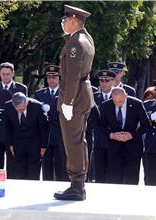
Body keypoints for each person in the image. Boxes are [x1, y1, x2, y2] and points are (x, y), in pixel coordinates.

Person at [54, 5, 95, 201]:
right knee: (78, 140)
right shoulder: (86, 38)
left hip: (75, 97)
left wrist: (67, 102)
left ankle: (77, 186)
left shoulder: (76, 43)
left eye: (64, 20)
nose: (62, 23)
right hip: (82, 95)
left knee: (73, 142)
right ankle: (78, 184)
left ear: (73, 19)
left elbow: (72, 76)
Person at [99, 87, 150, 185]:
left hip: (133, 148)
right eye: (115, 102)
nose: (118, 104)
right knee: (114, 180)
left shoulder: (137, 104)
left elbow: (146, 125)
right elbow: (101, 126)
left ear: (126, 95)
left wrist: (132, 135)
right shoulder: (106, 106)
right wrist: (111, 135)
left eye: (121, 101)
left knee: (132, 180)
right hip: (114, 148)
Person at [0, 62, 28, 178]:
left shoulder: (21, 89)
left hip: (13, 131)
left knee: (13, 165)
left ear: (13, 74)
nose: (5, 76)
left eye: (8, 74)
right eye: (3, 74)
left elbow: (23, 110)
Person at [3, 92, 48, 180]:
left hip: (34, 143)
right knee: (19, 171)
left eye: (21, 109)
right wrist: (10, 144)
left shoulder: (37, 106)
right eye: (17, 109)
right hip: (17, 143)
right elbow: (7, 127)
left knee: (33, 172)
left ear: (26, 102)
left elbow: (44, 128)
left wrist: (44, 146)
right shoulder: (8, 106)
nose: (19, 111)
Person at [34, 64, 68, 181]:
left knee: (61, 169)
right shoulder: (39, 94)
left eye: (54, 77)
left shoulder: (65, 94)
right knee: (46, 169)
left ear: (59, 78)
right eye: (49, 77)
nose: (51, 80)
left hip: (61, 136)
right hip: (45, 137)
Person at [92, 70, 115, 183]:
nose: (104, 83)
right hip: (98, 140)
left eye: (107, 80)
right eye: (101, 80)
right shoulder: (93, 97)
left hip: (114, 140)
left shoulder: (118, 95)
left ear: (112, 81)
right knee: (99, 174)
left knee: (114, 174)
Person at [142, 86, 156, 185]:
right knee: (150, 179)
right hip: (150, 148)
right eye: (147, 97)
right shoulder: (144, 106)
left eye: (152, 97)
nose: (149, 99)